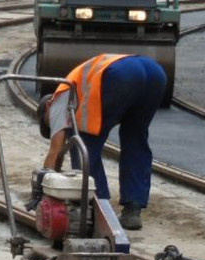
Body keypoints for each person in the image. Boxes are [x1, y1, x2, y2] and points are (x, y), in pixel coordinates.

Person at [36, 53, 167, 230]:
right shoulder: (78, 87)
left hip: (120, 75)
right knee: (135, 137)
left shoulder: (59, 99)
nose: (59, 129)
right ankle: (132, 210)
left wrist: (43, 189)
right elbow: (59, 154)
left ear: (47, 109)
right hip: (155, 72)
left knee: (83, 143)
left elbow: (55, 150)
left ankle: (99, 208)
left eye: (50, 125)